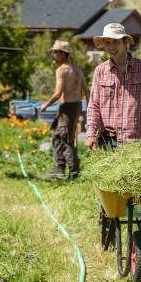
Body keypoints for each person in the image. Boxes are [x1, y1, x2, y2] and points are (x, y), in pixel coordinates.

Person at [85, 23, 141, 149]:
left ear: (125, 42)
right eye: (108, 42)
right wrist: (91, 134)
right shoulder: (100, 71)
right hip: (109, 142)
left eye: (115, 42)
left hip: (138, 143)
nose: (111, 47)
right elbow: (94, 106)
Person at [40, 40, 89, 180]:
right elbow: (86, 90)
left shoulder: (61, 70)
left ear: (63, 53)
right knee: (64, 137)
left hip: (67, 108)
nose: (53, 54)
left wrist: (46, 104)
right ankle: (62, 168)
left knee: (63, 138)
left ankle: (70, 172)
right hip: (77, 106)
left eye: (55, 52)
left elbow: (58, 92)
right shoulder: (77, 69)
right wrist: (89, 108)